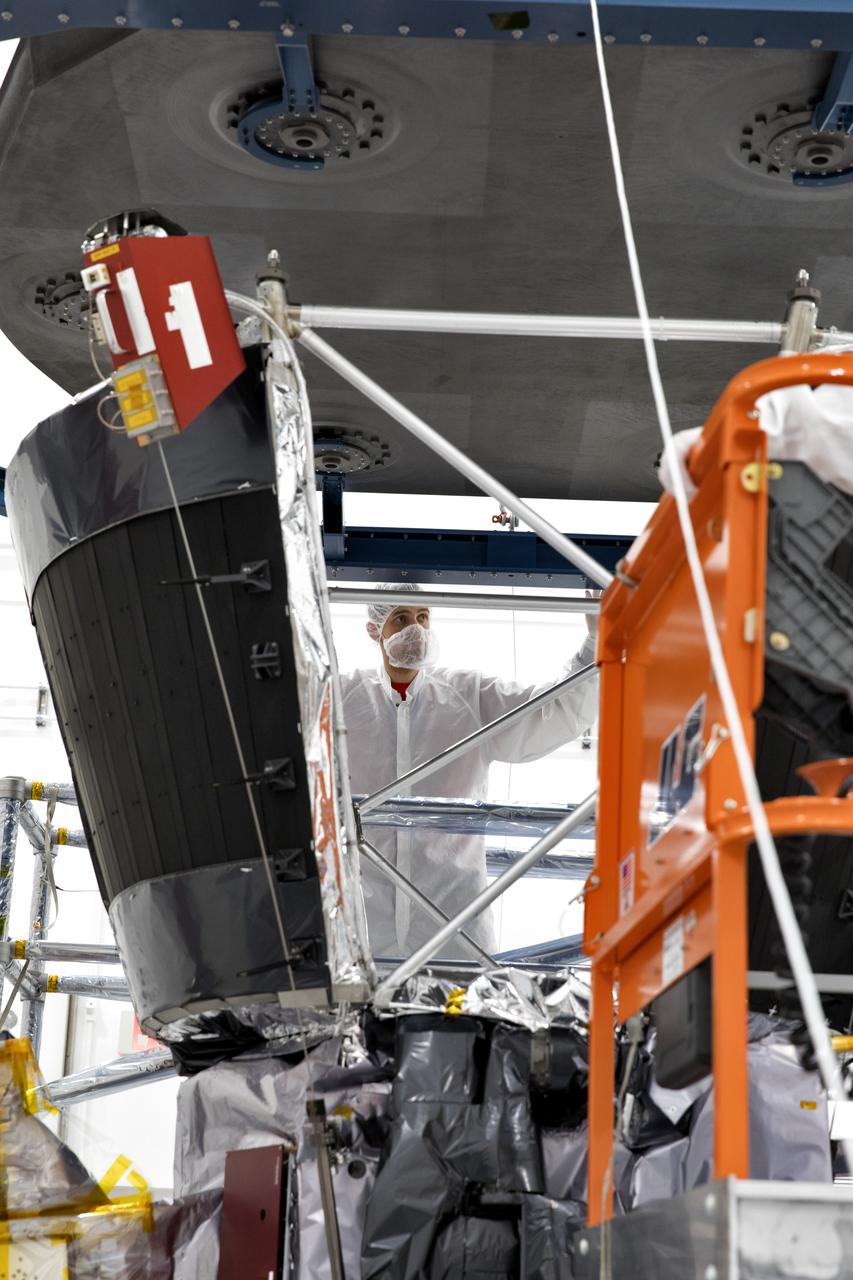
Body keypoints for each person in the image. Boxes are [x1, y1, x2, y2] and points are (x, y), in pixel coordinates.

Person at [339, 583, 599, 959]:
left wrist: (595, 647)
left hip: (455, 931)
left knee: (458, 1019)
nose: (417, 630)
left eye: (423, 617)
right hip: (364, 928)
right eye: (401, 618)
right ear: (373, 629)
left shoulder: (468, 696)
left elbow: (550, 714)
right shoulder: (344, 699)